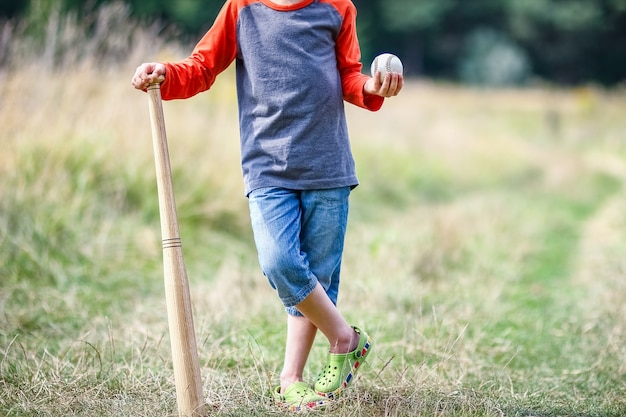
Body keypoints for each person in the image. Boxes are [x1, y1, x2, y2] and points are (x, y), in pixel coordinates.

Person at [132, 0, 402, 411]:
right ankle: (345, 338)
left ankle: (290, 380)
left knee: (317, 278)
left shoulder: (337, 8)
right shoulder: (241, 8)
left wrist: (371, 87)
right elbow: (203, 67)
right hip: (267, 166)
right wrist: (167, 74)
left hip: (327, 165)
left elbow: (348, 75)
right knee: (280, 261)